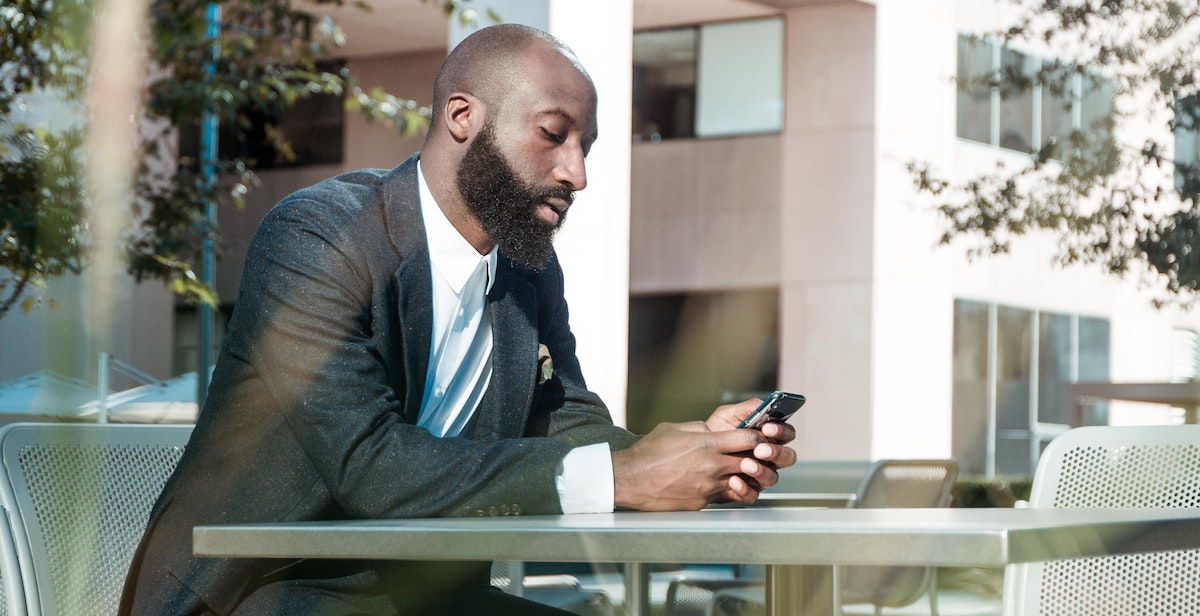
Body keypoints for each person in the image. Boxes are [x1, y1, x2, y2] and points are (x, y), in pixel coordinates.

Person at [119, 23, 797, 616]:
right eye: (553, 134)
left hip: (419, 597)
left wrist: (694, 456)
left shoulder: (527, 271)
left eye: (584, 146)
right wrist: (627, 477)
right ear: (463, 115)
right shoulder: (321, 239)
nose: (577, 173)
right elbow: (372, 469)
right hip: (259, 593)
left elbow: (569, 426)